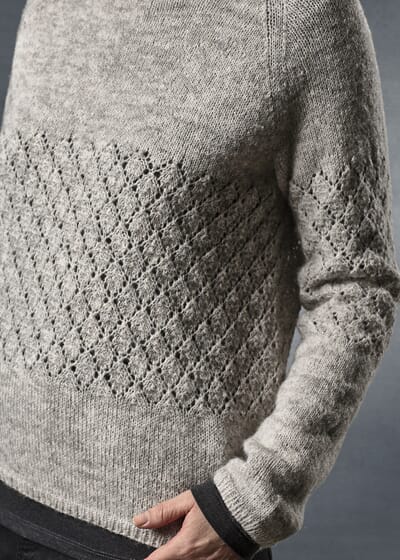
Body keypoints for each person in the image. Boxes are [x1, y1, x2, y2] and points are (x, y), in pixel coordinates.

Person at [0, 1, 399, 559]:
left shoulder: (299, 21)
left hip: (157, 535)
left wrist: (253, 499)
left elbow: (356, 287)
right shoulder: (52, 7)